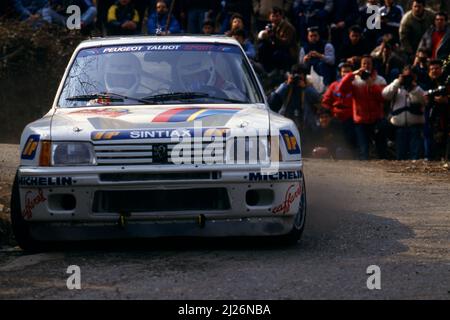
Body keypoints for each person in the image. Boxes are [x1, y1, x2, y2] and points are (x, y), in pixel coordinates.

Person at [338, 55, 388, 160]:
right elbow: (341, 89)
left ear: (372, 65)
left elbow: (383, 98)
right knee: (363, 150)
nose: (366, 66)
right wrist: (352, 74)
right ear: (360, 65)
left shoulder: (380, 80)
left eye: (369, 63)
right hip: (360, 120)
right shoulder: (355, 80)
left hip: (376, 118)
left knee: (381, 149)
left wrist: (371, 84)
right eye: (364, 63)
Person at [268, 64, 321, 152]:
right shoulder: (287, 85)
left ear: (304, 75)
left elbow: (318, 98)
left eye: (300, 74)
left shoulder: (308, 87)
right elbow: (273, 98)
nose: (297, 76)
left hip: (304, 122)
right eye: (295, 74)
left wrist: (305, 88)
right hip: (287, 118)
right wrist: (286, 85)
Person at [382, 66, 426, 160]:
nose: (407, 79)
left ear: (414, 77)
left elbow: (425, 100)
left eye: (409, 76)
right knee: (401, 156)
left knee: (415, 156)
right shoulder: (397, 88)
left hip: (415, 127)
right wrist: (397, 82)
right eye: (405, 76)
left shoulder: (419, 87)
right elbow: (385, 95)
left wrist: (414, 88)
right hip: (399, 127)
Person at [176, 52, 246, 101]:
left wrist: (220, 94)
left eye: (199, 74)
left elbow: (241, 98)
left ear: (209, 72)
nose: (195, 79)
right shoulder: (175, 92)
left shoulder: (224, 86)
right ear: (182, 78)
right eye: (190, 76)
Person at [321, 62, 356, 157]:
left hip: (350, 118)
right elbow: (326, 101)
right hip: (336, 118)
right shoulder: (334, 85)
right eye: (343, 71)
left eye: (348, 71)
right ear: (340, 73)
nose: (345, 74)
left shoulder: (355, 86)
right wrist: (330, 115)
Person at [422, 59, 450, 160]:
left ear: (441, 69)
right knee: (428, 134)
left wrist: (446, 99)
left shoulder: (447, 80)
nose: (434, 71)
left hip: (445, 112)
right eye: (432, 69)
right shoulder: (426, 80)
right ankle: (429, 157)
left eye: (437, 68)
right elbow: (422, 94)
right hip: (430, 111)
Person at [257, 6, 298, 73]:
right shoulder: (271, 26)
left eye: (277, 16)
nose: (275, 18)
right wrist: (264, 35)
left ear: (281, 16)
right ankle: (264, 70)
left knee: (278, 54)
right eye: (273, 16)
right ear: (269, 17)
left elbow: (286, 43)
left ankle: (280, 72)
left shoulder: (288, 27)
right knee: (262, 47)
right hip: (275, 48)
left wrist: (273, 36)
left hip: (287, 52)